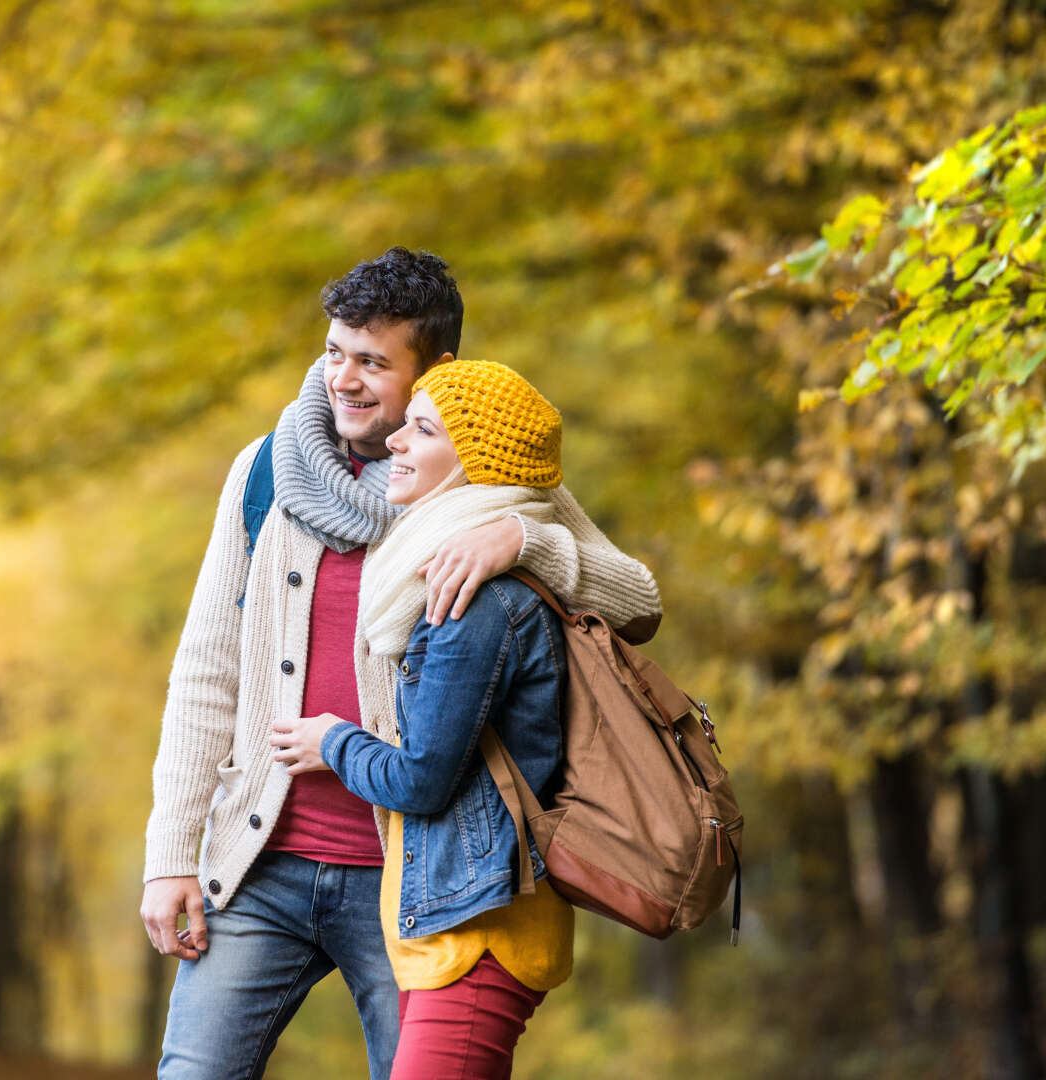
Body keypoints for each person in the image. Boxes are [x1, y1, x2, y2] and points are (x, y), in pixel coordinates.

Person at [141, 248, 661, 1080]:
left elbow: (639, 601)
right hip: (258, 859)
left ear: (436, 370)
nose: (344, 379)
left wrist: (527, 540)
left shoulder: (493, 487)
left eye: (373, 362)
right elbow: (206, 670)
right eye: (335, 352)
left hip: (414, 879)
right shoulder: (266, 472)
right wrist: (170, 855)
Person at [270, 361, 577, 1079]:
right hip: (460, 924)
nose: (397, 442)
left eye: (423, 429)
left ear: (474, 465)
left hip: (482, 930)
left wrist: (333, 740)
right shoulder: (454, 569)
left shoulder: (472, 599)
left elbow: (422, 780)